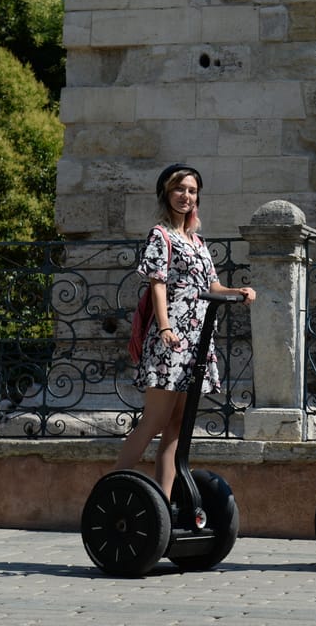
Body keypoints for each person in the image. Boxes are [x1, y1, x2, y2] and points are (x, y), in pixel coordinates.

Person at [114, 163, 256, 498]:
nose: (186, 196)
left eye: (192, 191)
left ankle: (161, 503)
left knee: (177, 427)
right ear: (166, 192)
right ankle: (112, 489)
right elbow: (157, 283)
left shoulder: (198, 241)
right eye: (180, 189)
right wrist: (164, 326)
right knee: (154, 421)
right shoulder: (160, 235)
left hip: (196, 339)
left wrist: (239, 292)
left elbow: (212, 285)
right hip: (171, 337)